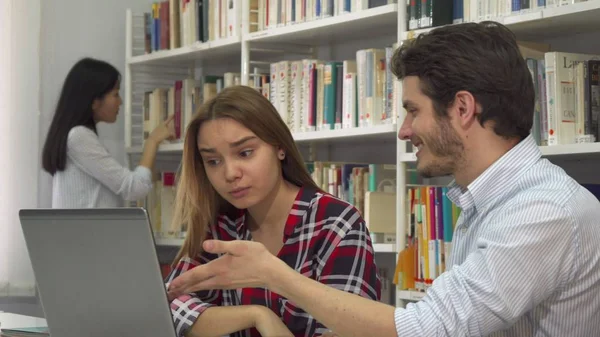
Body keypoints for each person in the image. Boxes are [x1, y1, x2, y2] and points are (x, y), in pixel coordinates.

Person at [166, 21, 600, 337]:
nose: (404, 130)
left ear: (463, 109)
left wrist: (272, 276)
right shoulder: (488, 202)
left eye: (413, 110)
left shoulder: (542, 211)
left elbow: (427, 330)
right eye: (212, 161)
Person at [163, 85, 381, 337]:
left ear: (280, 147)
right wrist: (257, 316)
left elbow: (353, 329)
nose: (230, 173)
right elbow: (168, 305)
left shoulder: (336, 223)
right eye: (213, 161)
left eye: (245, 153)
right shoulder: (220, 224)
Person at [42, 57, 175, 208]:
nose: (121, 102)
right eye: (115, 94)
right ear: (94, 101)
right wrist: (152, 141)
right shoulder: (79, 136)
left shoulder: (74, 135)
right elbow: (135, 188)